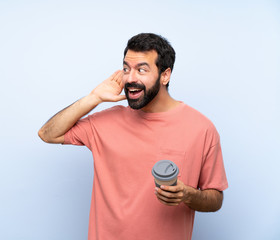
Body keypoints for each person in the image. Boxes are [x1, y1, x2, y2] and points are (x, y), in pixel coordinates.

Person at [38, 33, 228, 240]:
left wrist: (189, 194)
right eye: (126, 69)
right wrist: (94, 98)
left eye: (141, 70)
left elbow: (215, 198)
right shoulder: (105, 123)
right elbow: (48, 134)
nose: (130, 78)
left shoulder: (201, 128)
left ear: (165, 75)